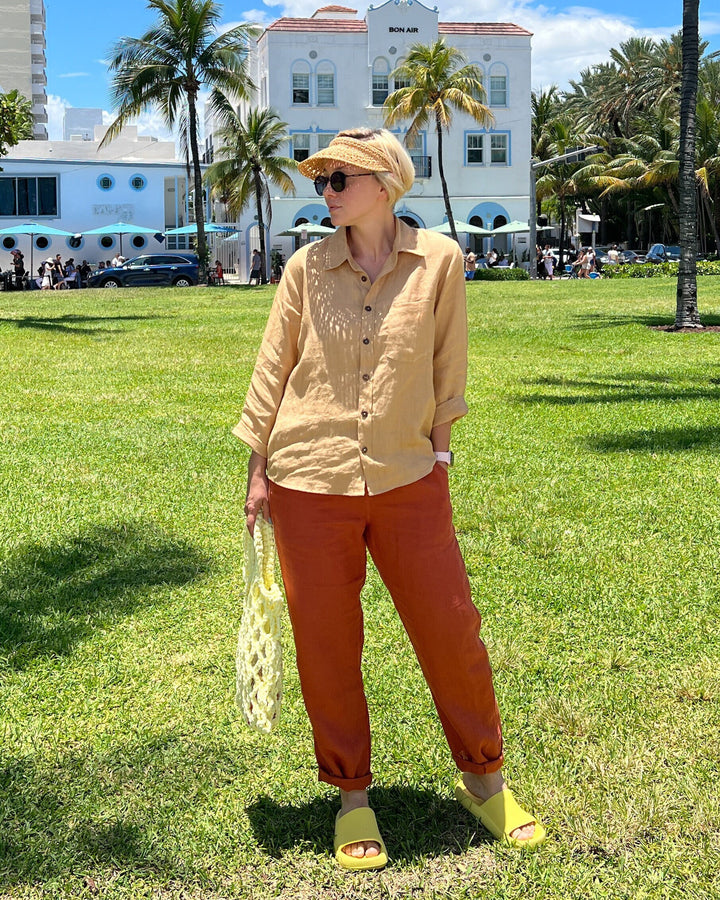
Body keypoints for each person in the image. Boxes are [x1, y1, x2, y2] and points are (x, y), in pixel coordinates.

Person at [235, 127, 545, 871]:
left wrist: (439, 454)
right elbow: (273, 366)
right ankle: (351, 797)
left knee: (451, 628)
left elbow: (449, 360)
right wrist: (255, 472)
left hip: (410, 477)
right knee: (329, 646)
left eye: (339, 179)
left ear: (384, 182)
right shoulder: (306, 268)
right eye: (322, 182)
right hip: (307, 477)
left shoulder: (439, 260)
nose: (327, 192)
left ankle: (484, 778)